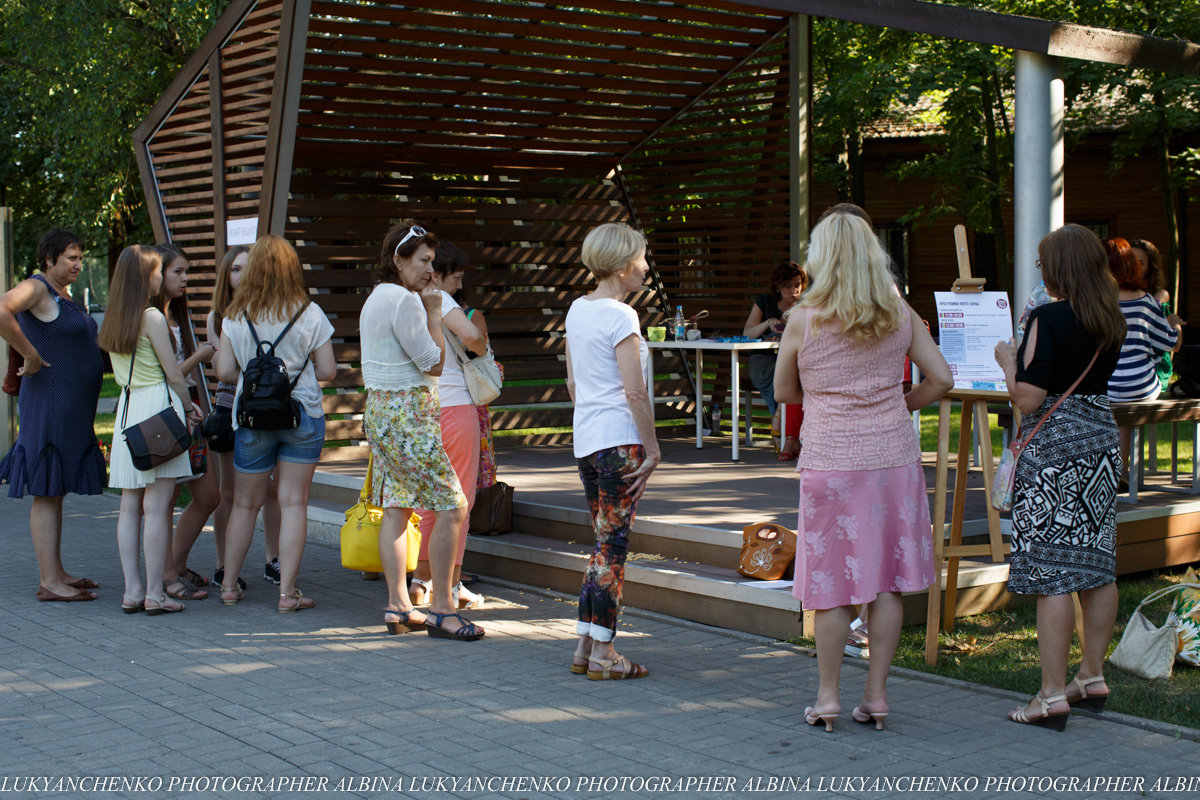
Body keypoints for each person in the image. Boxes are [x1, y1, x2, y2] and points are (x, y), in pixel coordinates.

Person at [775, 206, 952, 730]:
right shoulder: (898, 312)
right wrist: (899, 405)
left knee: (830, 583)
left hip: (831, 458)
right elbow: (940, 378)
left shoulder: (804, 316)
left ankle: (828, 698)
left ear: (822, 257)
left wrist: (828, 396)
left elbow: (785, 392)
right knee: (887, 580)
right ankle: (876, 696)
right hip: (892, 457)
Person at [993, 224, 1126, 730]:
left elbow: (1027, 397)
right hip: (1097, 441)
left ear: (1058, 267)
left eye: (1043, 261)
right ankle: (1091, 675)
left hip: (1054, 451)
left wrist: (1008, 362)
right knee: (1097, 563)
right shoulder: (1110, 319)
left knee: (1053, 571)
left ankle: (1050, 696)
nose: (1038, 269)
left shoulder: (1047, 318)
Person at [360, 221, 479, 640]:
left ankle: (398, 606)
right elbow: (433, 364)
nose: (430, 269)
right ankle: (443, 608)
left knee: (397, 508)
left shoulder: (375, 298)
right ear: (398, 260)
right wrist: (432, 311)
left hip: (381, 412)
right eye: (423, 261)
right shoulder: (406, 302)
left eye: (432, 261)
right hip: (409, 414)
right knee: (453, 506)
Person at [215, 235, 335, 612]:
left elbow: (224, 371)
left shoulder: (235, 315)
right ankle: (287, 594)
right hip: (302, 415)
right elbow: (329, 371)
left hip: (251, 419)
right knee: (293, 503)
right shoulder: (309, 312)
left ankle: (230, 587)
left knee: (245, 505)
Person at [565, 222, 661, 680]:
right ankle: (604, 651)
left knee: (602, 544)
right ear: (623, 265)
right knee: (613, 549)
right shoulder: (622, 317)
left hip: (587, 440)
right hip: (619, 442)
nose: (646, 266)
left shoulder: (577, 309)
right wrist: (653, 448)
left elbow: (572, 382)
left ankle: (586, 645)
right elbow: (635, 393)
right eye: (641, 258)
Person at [0, 228, 107, 602]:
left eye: (80, 258)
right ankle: (49, 581)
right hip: (49, 402)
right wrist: (28, 353)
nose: (79, 265)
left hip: (69, 407)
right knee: (46, 491)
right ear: (49, 260)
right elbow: (1, 308)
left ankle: (57, 571)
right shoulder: (37, 288)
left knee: (55, 489)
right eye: (72, 258)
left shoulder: (63, 294)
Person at [98, 245, 202, 614]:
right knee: (157, 507)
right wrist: (189, 409)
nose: (161, 276)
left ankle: (133, 591)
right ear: (147, 276)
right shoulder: (152, 317)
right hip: (157, 406)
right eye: (158, 270)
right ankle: (156, 594)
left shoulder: (114, 316)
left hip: (128, 409)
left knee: (129, 505)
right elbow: (173, 374)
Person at [408, 241, 486, 611]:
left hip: (420, 410)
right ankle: (451, 587)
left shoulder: (402, 300)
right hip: (454, 406)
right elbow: (471, 337)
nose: (457, 285)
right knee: (459, 503)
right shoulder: (441, 299)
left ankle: (420, 583)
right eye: (454, 276)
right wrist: (481, 349)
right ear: (435, 272)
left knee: (427, 504)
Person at [207, 246, 282, 590]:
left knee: (273, 489)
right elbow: (227, 371)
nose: (243, 276)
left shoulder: (273, 311)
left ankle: (274, 559)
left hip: (269, 411)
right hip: (231, 409)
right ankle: (224, 565)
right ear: (227, 275)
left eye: (248, 269)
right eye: (236, 269)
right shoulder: (219, 317)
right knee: (230, 493)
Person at [152, 244, 215, 600]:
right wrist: (200, 356)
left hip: (188, 411)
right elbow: (166, 374)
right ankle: (166, 574)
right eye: (178, 272)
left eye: (186, 271)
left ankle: (174, 564)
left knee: (209, 494)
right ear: (158, 274)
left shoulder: (176, 315)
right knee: (166, 496)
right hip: (167, 413)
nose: (185, 279)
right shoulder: (151, 317)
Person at [1104, 237, 1183, 481]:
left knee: (1117, 404)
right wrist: (1176, 324)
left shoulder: (1100, 303)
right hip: (1141, 386)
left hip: (1105, 386)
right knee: (1128, 400)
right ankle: (1122, 474)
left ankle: (1115, 473)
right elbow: (1171, 344)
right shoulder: (1147, 302)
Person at [743, 261, 807, 460]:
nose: (793, 290)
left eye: (797, 285)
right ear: (778, 287)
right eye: (788, 286)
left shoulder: (805, 307)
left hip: (795, 363)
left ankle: (788, 436)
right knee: (788, 387)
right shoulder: (766, 302)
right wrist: (767, 324)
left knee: (797, 383)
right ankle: (790, 437)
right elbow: (748, 333)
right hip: (766, 361)